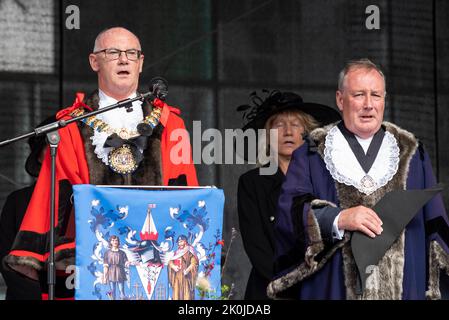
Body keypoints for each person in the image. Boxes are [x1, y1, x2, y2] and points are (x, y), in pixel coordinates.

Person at [4, 27, 198, 297]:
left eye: (131, 53)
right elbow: (54, 199)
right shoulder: (70, 127)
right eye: (113, 52)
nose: (123, 59)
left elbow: (185, 195)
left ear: (141, 63)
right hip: (90, 268)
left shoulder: (170, 124)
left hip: (157, 265)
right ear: (95, 62)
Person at [268, 58, 449, 300]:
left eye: (376, 95)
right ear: (340, 100)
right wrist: (339, 218)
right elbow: (288, 215)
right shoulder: (312, 152)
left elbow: (437, 230)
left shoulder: (412, 153)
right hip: (333, 290)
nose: (368, 105)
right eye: (359, 95)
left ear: (385, 99)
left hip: (405, 289)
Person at [237, 90, 341, 299]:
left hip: (320, 289)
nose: (287, 132)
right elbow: (257, 248)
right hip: (270, 290)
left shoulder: (327, 179)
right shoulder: (251, 183)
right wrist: (290, 284)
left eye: (295, 124)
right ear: (268, 135)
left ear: (307, 132)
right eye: (279, 125)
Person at [0, 116, 54, 300]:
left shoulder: (86, 199)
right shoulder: (17, 201)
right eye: (52, 145)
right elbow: (7, 261)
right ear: (39, 155)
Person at [167, 235, 198, 300]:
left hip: (186, 277)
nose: (179, 243)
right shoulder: (177, 252)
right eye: (178, 242)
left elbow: (194, 263)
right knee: (176, 294)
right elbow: (170, 262)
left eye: (181, 241)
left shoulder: (190, 251)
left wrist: (187, 270)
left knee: (186, 294)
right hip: (177, 277)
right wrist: (173, 267)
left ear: (185, 241)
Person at [103, 235, 129, 300]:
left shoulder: (122, 253)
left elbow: (126, 262)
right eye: (113, 240)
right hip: (111, 273)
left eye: (116, 240)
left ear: (118, 242)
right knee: (112, 292)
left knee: (122, 291)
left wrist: (127, 263)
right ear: (110, 242)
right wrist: (105, 277)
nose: (115, 242)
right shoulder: (107, 253)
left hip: (120, 272)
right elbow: (105, 266)